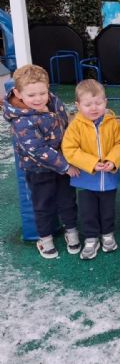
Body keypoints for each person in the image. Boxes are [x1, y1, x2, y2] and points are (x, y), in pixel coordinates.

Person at [3, 64, 80, 259]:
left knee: (67, 200)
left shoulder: (54, 101)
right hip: (39, 170)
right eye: (31, 95)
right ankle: (45, 239)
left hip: (63, 166)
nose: (38, 98)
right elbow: (37, 149)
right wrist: (65, 165)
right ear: (18, 93)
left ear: (48, 89)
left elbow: (66, 123)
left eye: (42, 93)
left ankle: (72, 232)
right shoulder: (21, 120)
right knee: (43, 205)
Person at [62, 79, 120, 260]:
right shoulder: (75, 126)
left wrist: (112, 161)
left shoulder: (112, 122)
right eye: (88, 104)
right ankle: (91, 238)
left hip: (108, 178)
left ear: (105, 102)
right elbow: (69, 149)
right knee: (88, 211)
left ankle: (107, 234)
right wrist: (91, 163)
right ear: (78, 105)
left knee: (108, 210)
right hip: (85, 179)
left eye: (98, 103)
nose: (94, 108)